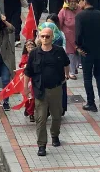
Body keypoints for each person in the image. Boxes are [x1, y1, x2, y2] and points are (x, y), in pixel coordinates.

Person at [24, 26, 70, 157]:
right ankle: (41, 145)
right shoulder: (34, 53)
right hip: (40, 90)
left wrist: (67, 75)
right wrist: (25, 88)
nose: (44, 39)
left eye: (47, 36)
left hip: (55, 88)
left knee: (57, 116)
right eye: (42, 36)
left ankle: (55, 135)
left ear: (52, 38)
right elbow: (28, 72)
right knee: (41, 118)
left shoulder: (59, 51)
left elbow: (66, 63)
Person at [75, 0, 100, 111]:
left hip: (86, 51)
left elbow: (78, 35)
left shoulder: (80, 16)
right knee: (99, 75)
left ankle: (91, 102)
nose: (79, 3)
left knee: (87, 77)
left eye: (80, 0)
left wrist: (78, 47)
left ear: (84, 1)